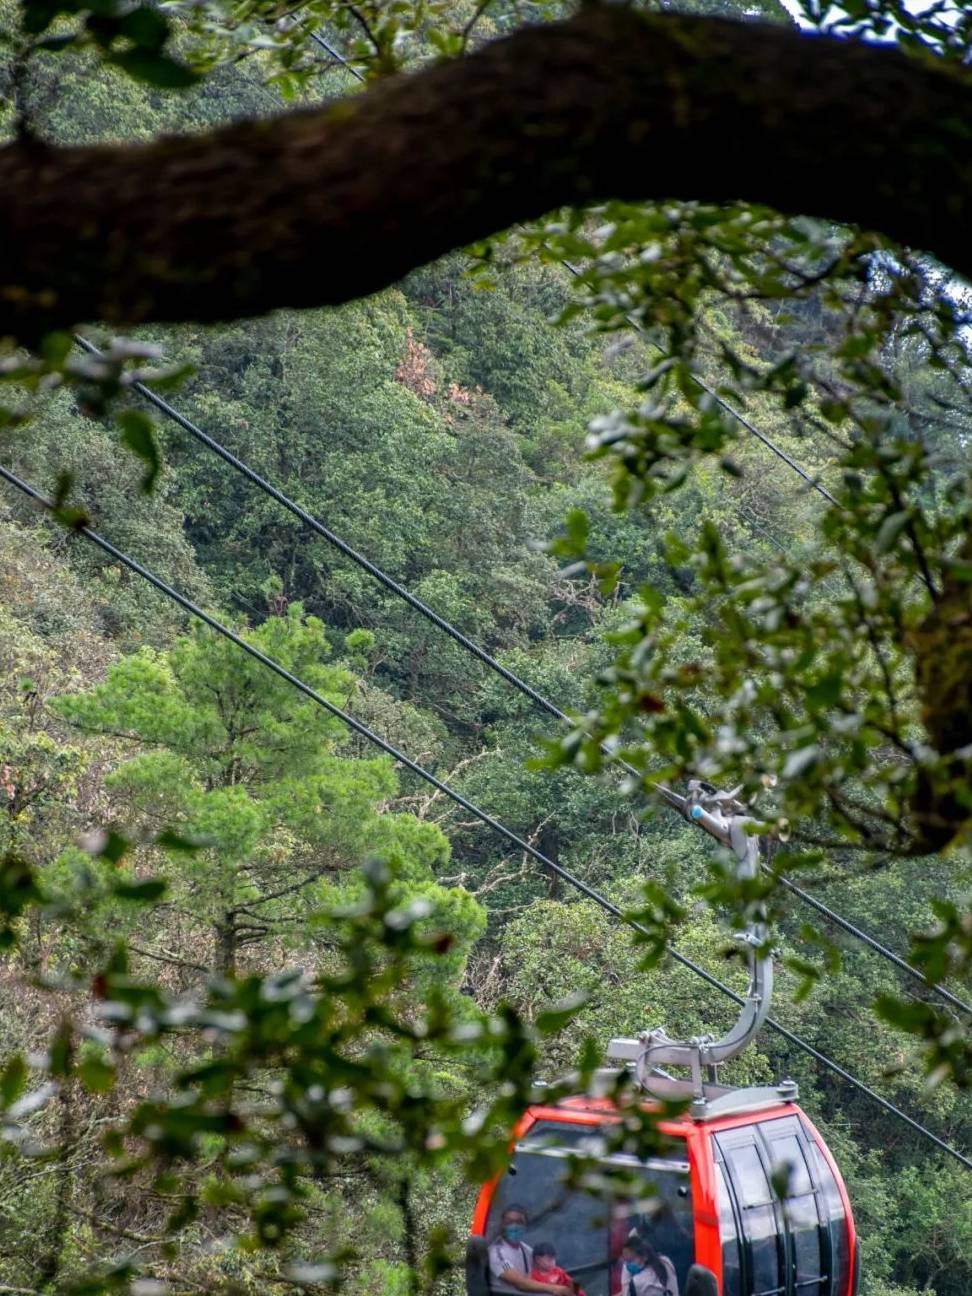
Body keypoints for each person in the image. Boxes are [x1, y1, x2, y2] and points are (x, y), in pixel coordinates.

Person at [487, 1206, 572, 1294]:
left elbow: (547, 1271)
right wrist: (554, 1289)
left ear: (525, 1226)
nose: (515, 1226)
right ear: (502, 1226)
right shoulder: (496, 1254)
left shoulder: (527, 1251)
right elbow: (519, 1282)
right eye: (509, 1222)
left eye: (519, 1222)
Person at [611, 1236, 678, 1296]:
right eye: (626, 1261)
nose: (627, 1265)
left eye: (631, 1260)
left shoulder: (637, 1282)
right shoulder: (666, 1261)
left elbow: (627, 1292)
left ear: (644, 1256)